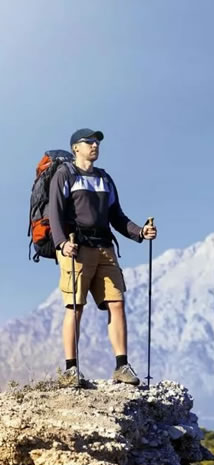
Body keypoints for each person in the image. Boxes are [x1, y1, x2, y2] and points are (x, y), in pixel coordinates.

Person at [49, 128, 157, 385]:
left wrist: (140, 232)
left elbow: (117, 216)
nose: (95, 145)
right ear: (76, 147)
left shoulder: (104, 179)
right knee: (75, 306)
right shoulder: (65, 175)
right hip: (76, 248)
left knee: (116, 302)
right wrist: (62, 244)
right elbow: (54, 213)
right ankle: (70, 369)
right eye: (89, 142)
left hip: (105, 248)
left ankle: (122, 366)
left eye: (97, 142)